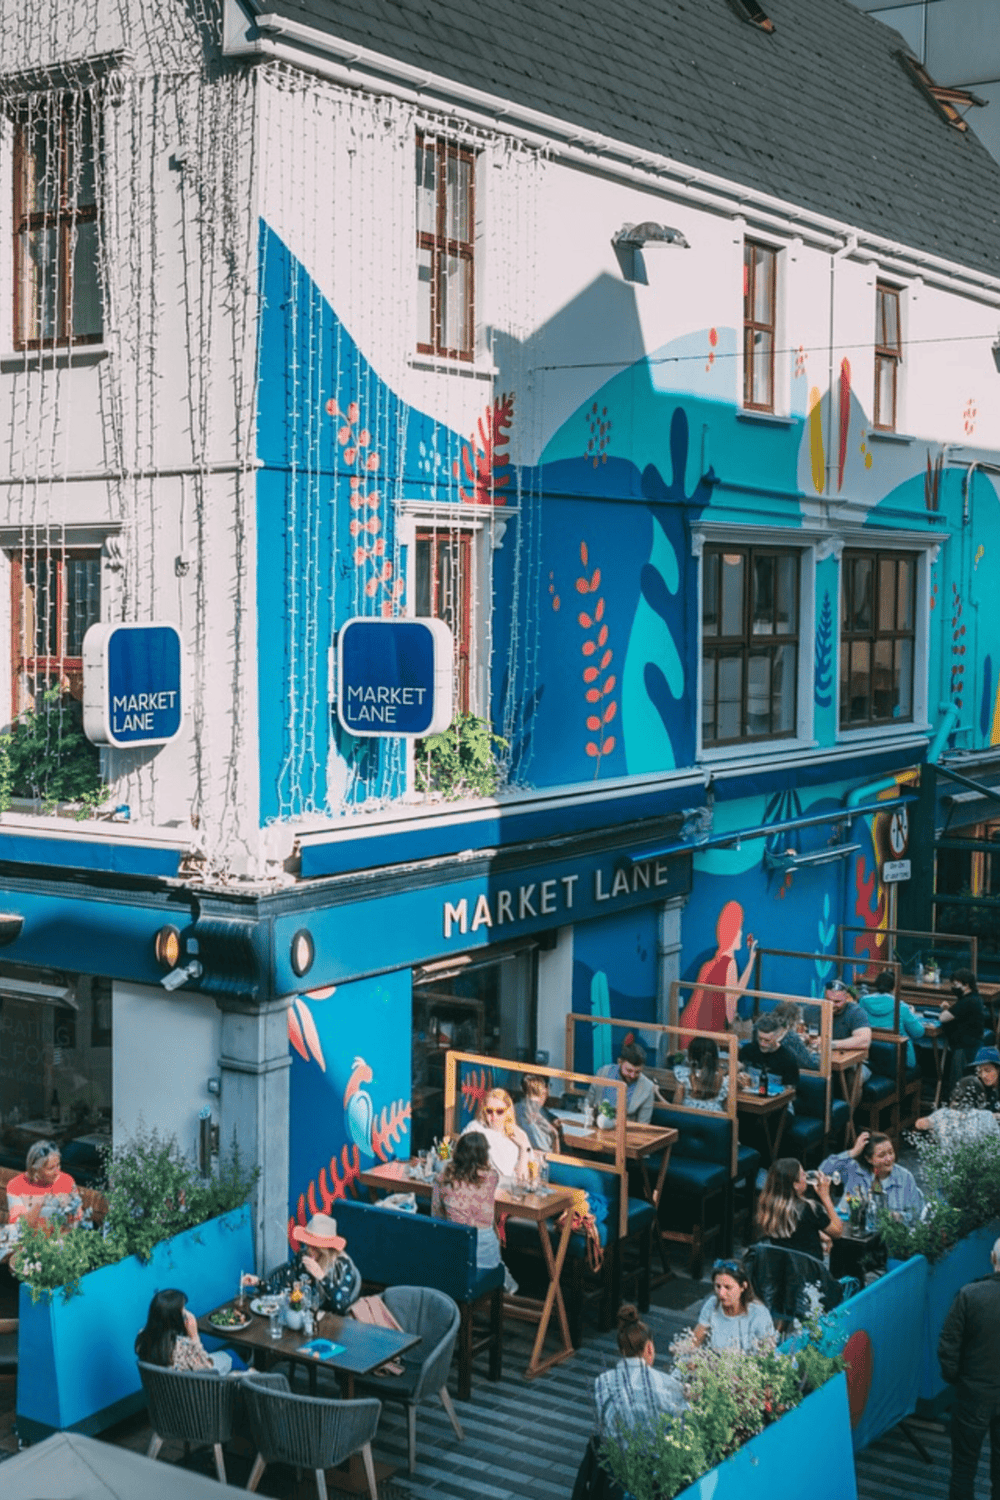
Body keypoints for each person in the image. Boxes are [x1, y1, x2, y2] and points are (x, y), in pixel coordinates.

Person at [938, 1236, 1000, 1500]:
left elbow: (948, 1345)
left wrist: (956, 1378)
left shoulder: (970, 1295)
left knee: (963, 1468)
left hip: (972, 1393)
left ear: (992, 1258)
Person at [594, 1303, 686, 1439]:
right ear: (649, 1347)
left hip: (615, 1456)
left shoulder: (602, 1381)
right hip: (656, 1456)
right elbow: (685, 1423)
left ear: (621, 1350)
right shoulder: (667, 1383)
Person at [247, 1212, 361, 1314]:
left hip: (329, 1323)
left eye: (315, 1247)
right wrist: (258, 1282)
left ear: (327, 1249)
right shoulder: (302, 1257)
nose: (309, 1250)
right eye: (308, 1244)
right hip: (301, 1315)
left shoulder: (342, 1265)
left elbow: (342, 1306)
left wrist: (321, 1277)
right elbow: (282, 1291)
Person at [432, 1131, 507, 1277]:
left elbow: (436, 1217)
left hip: (454, 1254)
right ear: (484, 1154)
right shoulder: (492, 1177)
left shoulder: (442, 1179)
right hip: (486, 1258)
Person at [679, 901, 758, 1034]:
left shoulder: (710, 961)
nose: (740, 933)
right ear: (732, 932)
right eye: (739, 928)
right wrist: (751, 960)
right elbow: (732, 1001)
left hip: (699, 1029)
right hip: (717, 1030)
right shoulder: (729, 963)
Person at [820, 1129, 924, 1221]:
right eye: (882, 1155)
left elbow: (915, 1215)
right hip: (850, 1229)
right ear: (868, 1159)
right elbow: (823, 1171)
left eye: (891, 1152)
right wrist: (853, 1152)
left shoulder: (904, 1177)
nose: (889, 1159)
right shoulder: (854, 1170)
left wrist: (897, 1217)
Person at [755, 1158, 843, 1260]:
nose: (806, 1175)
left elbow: (796, 1229)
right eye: (802, 1174)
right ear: (795, 1185)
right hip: (809, 1270)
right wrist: (826, 1197)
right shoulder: (811, 1208)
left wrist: (820, 1234)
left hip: (781, 1267)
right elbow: (838, 1232)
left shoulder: (768, 1204)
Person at [135, 1287, 235, 1374]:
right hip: (197, 1389)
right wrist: (194, 1336)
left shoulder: (142, 1338)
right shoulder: (184, 1347)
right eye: (183, 1312)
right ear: (175, 1319)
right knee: (231, 1357)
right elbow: (207, 1371)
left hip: (164, 1389)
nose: (187, 1314)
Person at [692, 1259, 775, 1350]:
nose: (721, 1293)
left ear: (743, 1287)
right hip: (715, 1361)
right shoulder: (712, 1303)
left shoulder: (759, 1313)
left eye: (728, 1287)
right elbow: (696, 1340)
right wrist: (679, 1348)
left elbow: (768, 1353)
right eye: (718, 1286)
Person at [859, 971, 925, 1068]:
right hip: (899, 1060)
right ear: (894, 988)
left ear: (876, 984)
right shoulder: (901, 1006)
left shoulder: (863, 1001)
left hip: (870, 1055)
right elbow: (918, 1032)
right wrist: (911, 1013)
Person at [5, 1140, 80, 1225]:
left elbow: (76, 1220)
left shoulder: (67, 1181)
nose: (57, 1172)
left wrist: (72, 1212)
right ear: (35, 1170)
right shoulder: (16, 1185)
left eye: (58, 1165)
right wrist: (40, 1203)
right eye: (51, 1168)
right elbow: (20, 1225)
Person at [463, 1087, 533, 1178]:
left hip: (511, 1187)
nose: (494, 1116)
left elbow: (524, 1176)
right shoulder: (475, 1129)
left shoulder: (518, 1134)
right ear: (484, 1111)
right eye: (489, 1111)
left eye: (499, 1111)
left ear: (508, 1111)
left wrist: (524, 1148)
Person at [915, 1077, 1000, 1146]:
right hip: (979, 1164)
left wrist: (925, 1123)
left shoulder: (943, 1114)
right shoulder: (986, 1116)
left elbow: (920, 1124)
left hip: (949, 1164)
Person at [939, 970, 987, 1091]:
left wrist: (944, 1009)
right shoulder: (975, 998)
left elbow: (943, 1018)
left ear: (966, 985)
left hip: (965, 1048)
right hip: (972, 1044)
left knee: (960, 1084)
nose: (954, 988)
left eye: (956, 985)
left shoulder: (967, 1001)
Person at [587, 1040, 656, 1124]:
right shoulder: (603, 1072)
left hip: (626, 1131)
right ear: (620, 1062)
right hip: (597, 1126)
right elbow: (588, 1104)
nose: (632, 1075)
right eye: (629, 1070)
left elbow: (643, 1125)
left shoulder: (647, 1087)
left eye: (637, 1072)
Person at [738, 1010, 800, 1087]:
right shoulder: (748, 1049)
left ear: (778, 1037)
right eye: (760, 1038)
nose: (762, 1043)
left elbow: (790, 1092)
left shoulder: (788, 1059)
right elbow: (736, 1070)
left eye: (767, 1040)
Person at [672, 1036, 729, 1112]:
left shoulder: (683, 1075)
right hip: (714, 1122)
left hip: (686, 1120)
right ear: (715, 1056)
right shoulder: (724, 1080)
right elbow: (728, 1112)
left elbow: (675, 1106)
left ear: (691, 1055)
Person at [515, 1074, 563, 1153]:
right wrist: (555, 1134)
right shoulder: (531, 1111)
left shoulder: (519, 1106)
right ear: (544, 1090)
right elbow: (547, 1152)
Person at [770, 1001, 819, 1071]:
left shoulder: (765, 1028)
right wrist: (817, 1054)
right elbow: (812, 1064)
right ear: (793, 1020)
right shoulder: (791, 1037)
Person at [973, 1046, 1000, 1113]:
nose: (983, 1076)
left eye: (987, 1070)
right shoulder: (979, 1091)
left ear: (998, 1070)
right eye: (980, 1072)